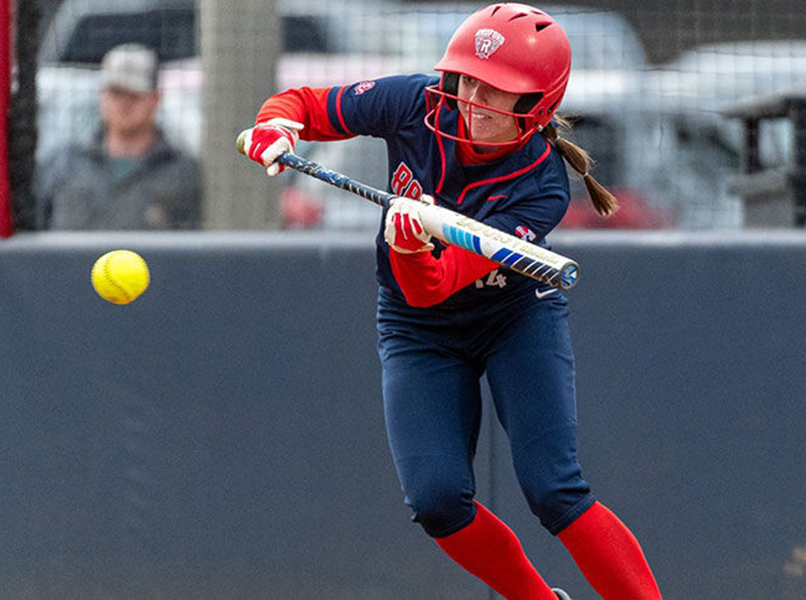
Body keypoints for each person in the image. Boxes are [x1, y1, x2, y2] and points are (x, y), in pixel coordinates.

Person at [240, 4, 662, 599]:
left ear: (536, 107)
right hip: (418, 328)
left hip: (514, 317)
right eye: (466, 77)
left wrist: (413, 246)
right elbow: (303, 104)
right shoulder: (416, 100)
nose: (470, 97)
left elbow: (436, 281)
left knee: (553, 488)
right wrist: (277, 126)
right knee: (437, 500)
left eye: (495, 90)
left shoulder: (539, 190)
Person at [35, 43, 201, 230]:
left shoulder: (183, 172)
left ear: (156, 98)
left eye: (134, 94)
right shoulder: (63, 165)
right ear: (102, 95)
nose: (124, 104)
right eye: (116, 93)